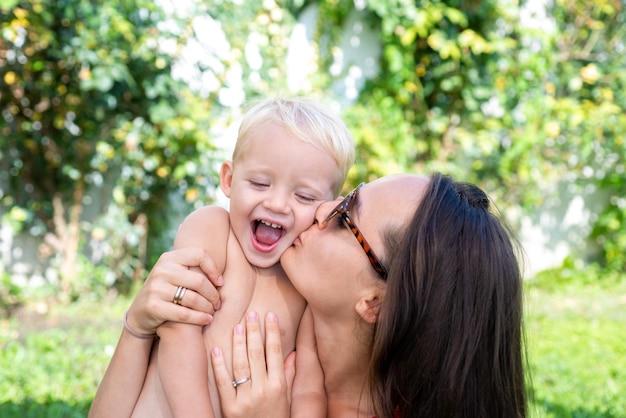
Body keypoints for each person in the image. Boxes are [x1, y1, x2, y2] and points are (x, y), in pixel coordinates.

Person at [91, 173, 529, 417]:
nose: (319, 209)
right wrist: (138, 328)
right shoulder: (266, 301)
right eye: (346, 196)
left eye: (344, 218)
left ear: (374, 303)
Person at [89, 97, 354, 418]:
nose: (278, 204)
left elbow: (308, 385)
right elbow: (178, 329)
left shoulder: (306, 283)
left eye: (304, 196)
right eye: (259, 183)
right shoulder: (212, 228)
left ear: (327, 208)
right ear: (228, 179)